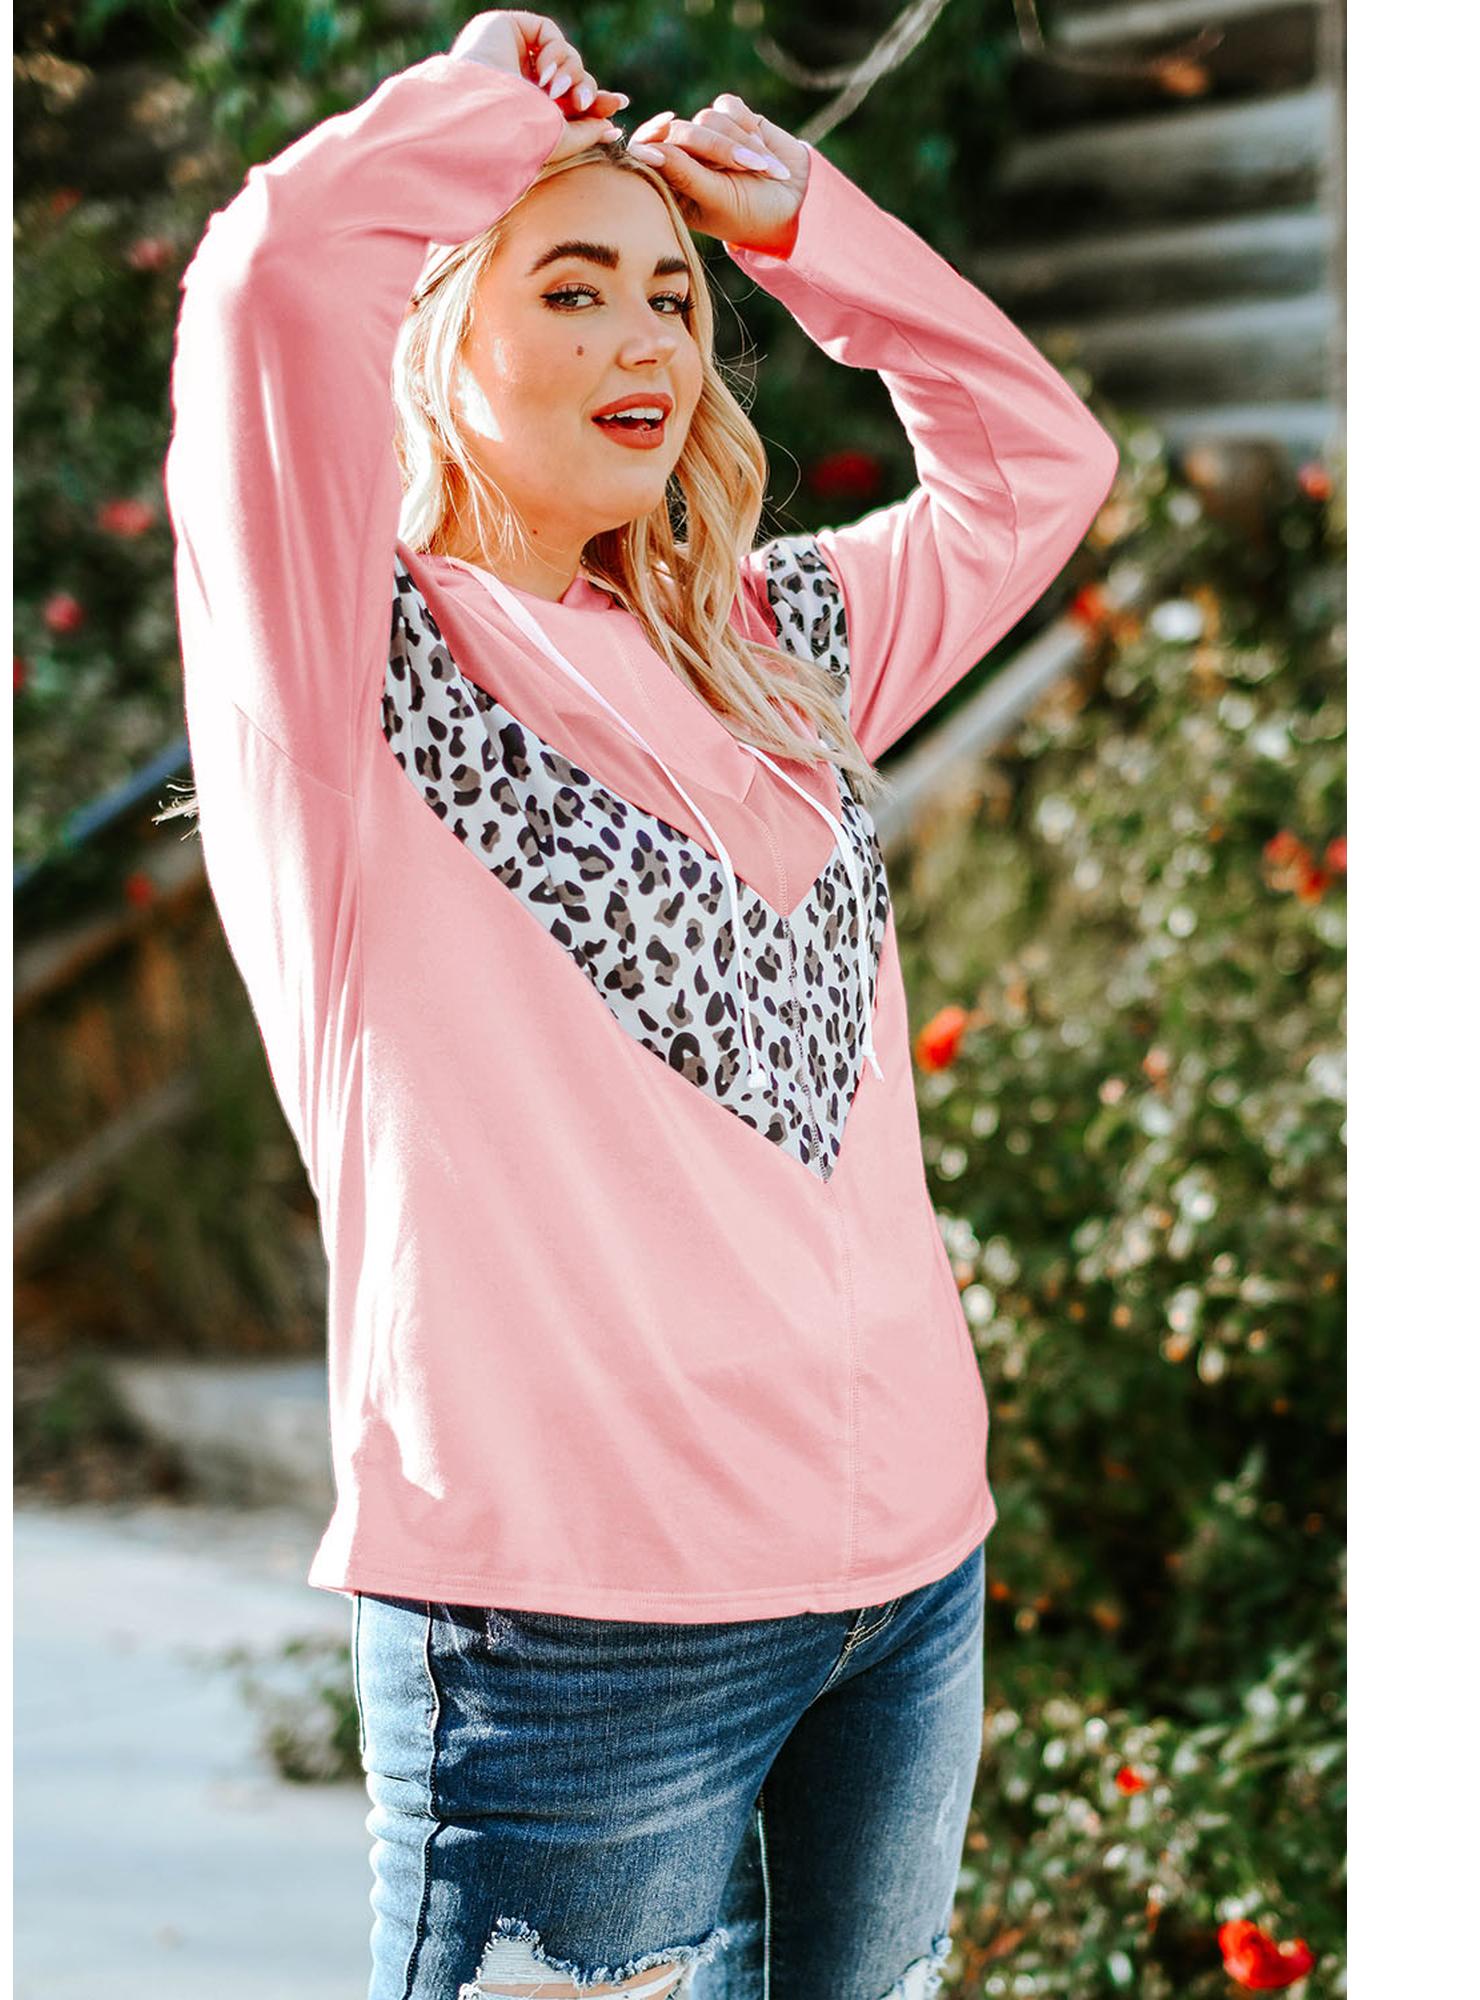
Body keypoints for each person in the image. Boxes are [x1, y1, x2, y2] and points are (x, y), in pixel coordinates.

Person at [162, 9, 1119, 1997]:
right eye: (572, 287)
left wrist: (809, 227)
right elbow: (267, 277)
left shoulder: (772, 646)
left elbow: (1043, 466)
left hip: (899, 1580)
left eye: (672, 298)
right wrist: (475, 107)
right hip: (575, 1624)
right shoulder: (345, 675)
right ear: (440, 332)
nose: (646, 343)